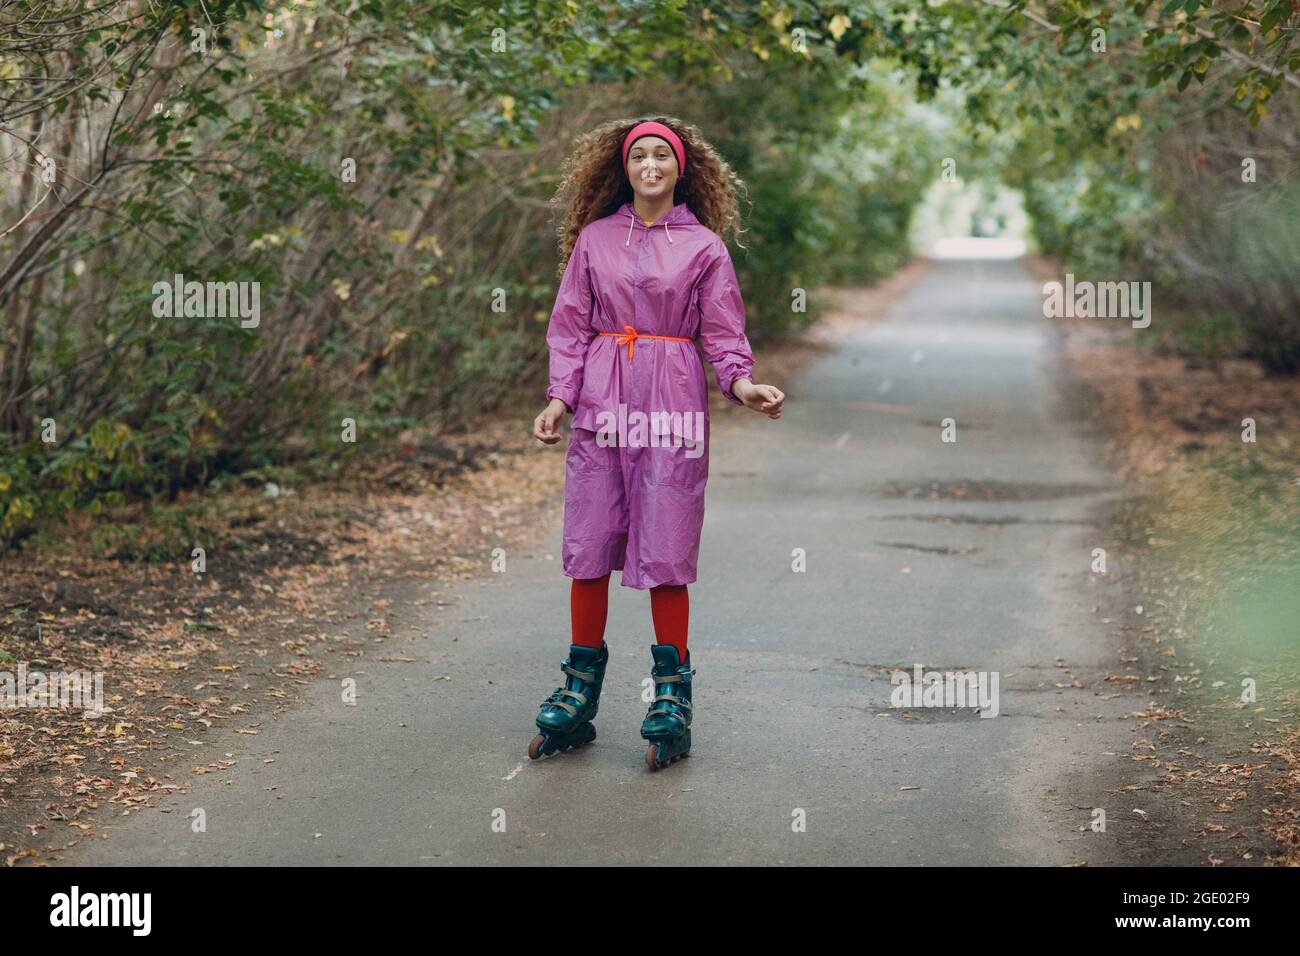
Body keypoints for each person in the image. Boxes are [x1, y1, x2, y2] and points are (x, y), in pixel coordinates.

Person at [528, 117, 785, 771]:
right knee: (589, 546)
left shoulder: (703, 248)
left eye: (660, 156)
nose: (649, 165)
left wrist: (744, 385)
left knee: (665, 549)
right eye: (638, 155)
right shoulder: (595, 239)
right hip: (600, 402)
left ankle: (672, 701)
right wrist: (560, 397)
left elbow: (723, 334)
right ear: (624, 167)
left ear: (680, 169)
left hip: (671, 400)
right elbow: (571, 325)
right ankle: (577, 692)